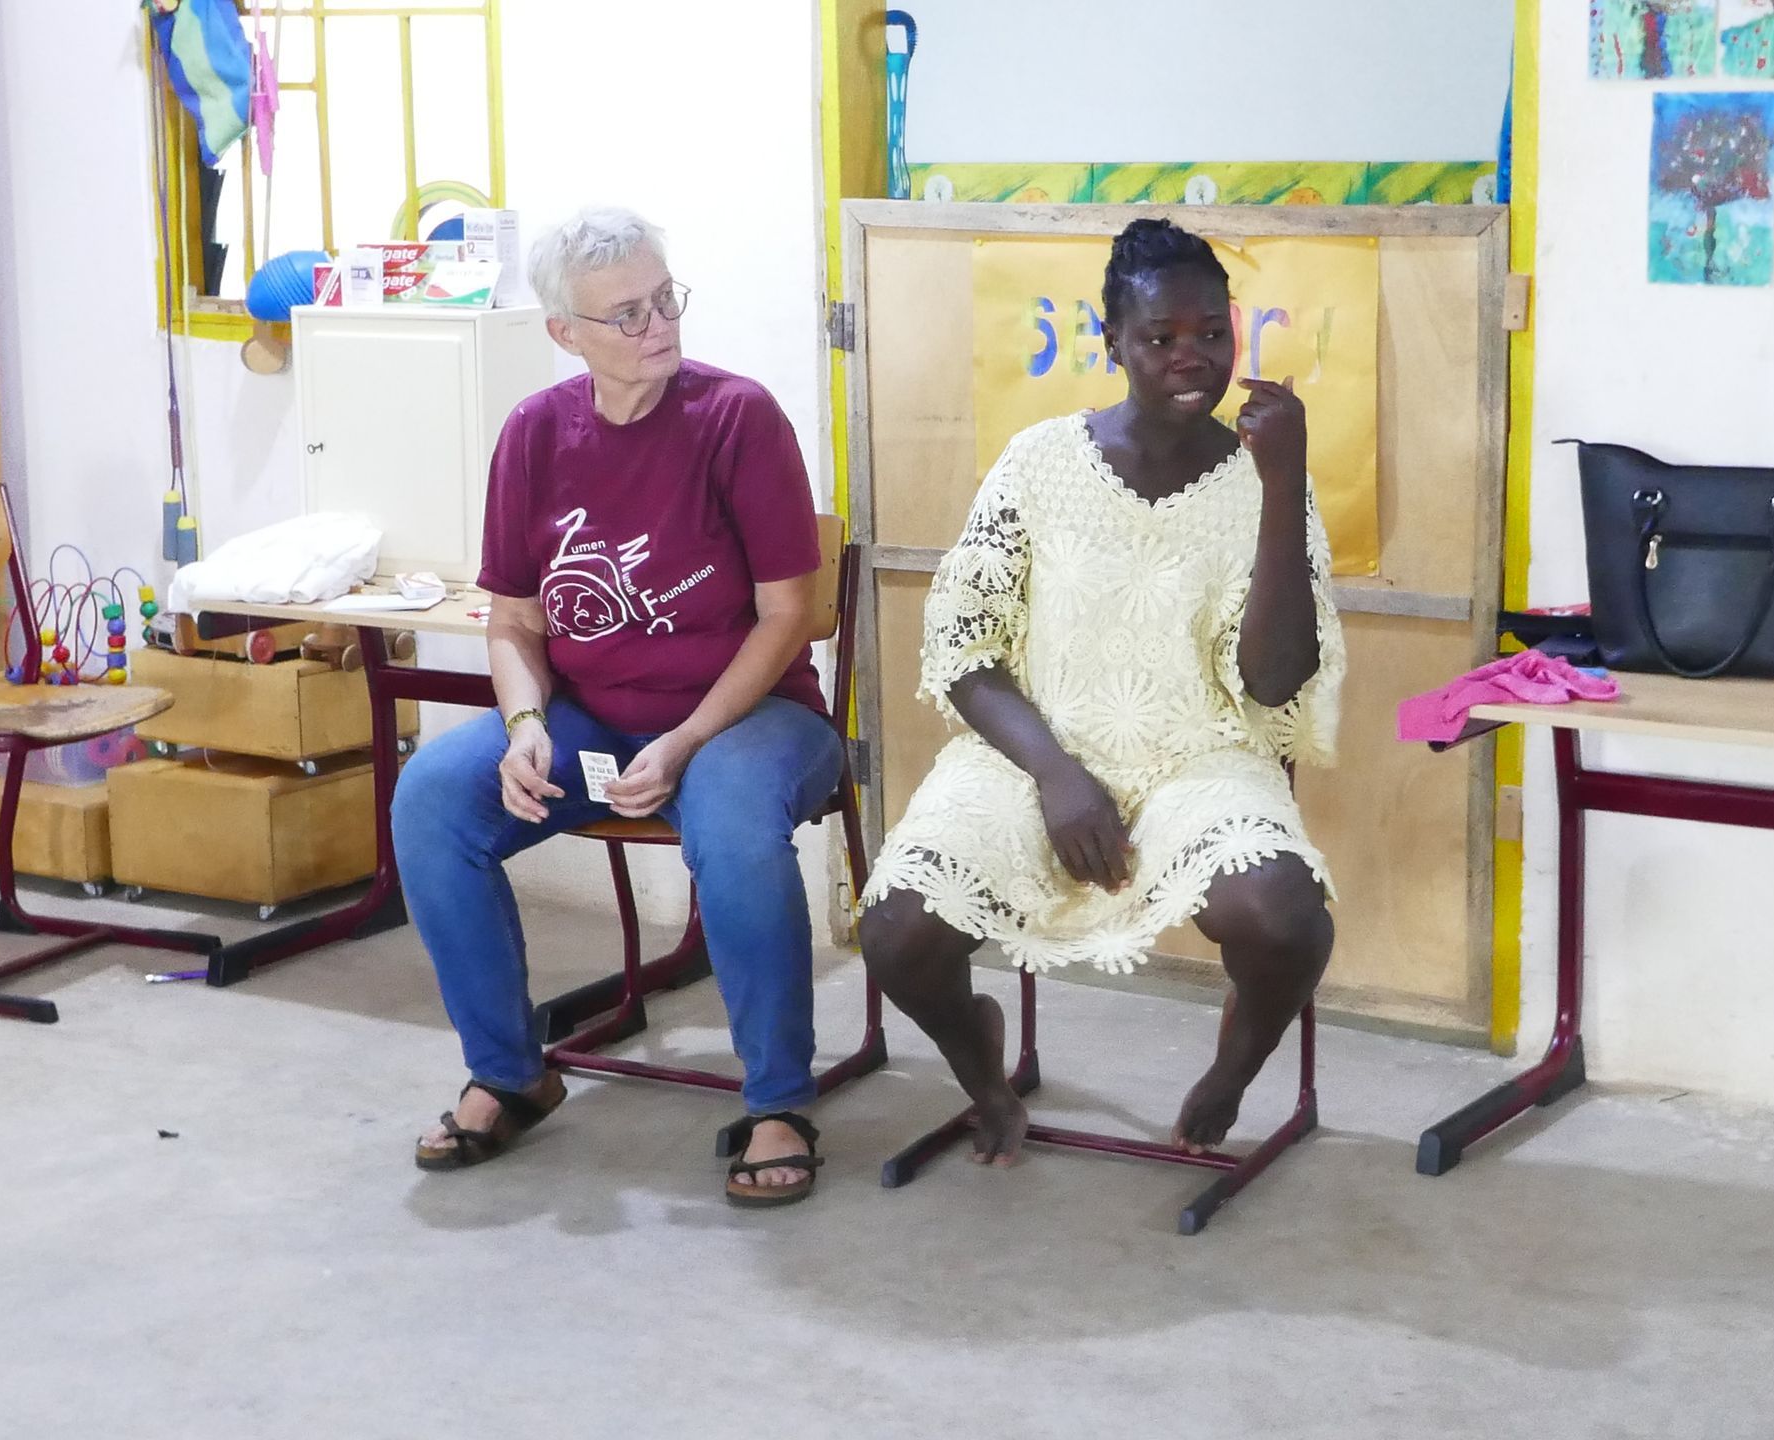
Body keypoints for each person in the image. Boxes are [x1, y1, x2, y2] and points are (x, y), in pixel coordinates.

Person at [858, 217, 1344, 1164]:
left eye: (1212, 332)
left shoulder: (1263, 477)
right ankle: (982, 1072)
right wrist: (1057, 775)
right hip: (1033, 749)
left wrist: (1282, 482)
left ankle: (1233, 1068)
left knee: (1285, 919)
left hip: (1199, 755)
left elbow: (1274, 677)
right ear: (1114, 342)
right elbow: (964, 652)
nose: (1191, 356)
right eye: (1160, 337)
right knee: (896, 932)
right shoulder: (1039, 460)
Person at [394, 206, 842, 1207]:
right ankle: (509, 1072)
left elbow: (788, 617)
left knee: (732, 817)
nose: (659, 326)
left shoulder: (737, 418)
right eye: (627, 313)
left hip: (752, 714)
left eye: (665, 299)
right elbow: (514, 621)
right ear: (566, 332)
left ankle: (778, 1100)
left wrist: (685, 740)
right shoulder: (534, 434)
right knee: (431, 797)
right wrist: (524, 727)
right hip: (593, 717)